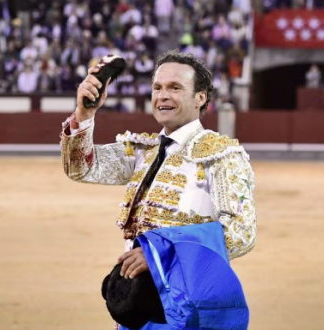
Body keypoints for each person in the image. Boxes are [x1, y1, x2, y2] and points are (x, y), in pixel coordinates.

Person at [60, 50, 257, 327]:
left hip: (189, 302)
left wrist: (158, 254)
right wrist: (84, 114)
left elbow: (241, 232)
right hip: (136, 302)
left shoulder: (222, 155)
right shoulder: (145, 150)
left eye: (175, 88)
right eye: (157, 87)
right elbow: (82, 167)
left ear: (200, 98)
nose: (163, 95)